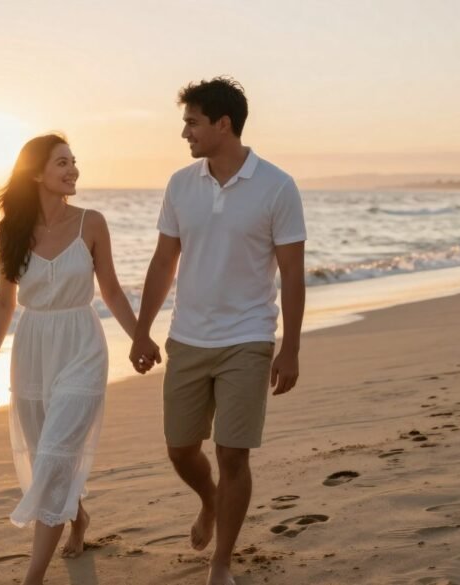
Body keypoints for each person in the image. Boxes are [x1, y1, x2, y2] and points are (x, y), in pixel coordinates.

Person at [129, 77, 307, 585]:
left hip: (248, 337)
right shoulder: (180, 184)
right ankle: (209, 500)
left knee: (232, 453)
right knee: (181, 448)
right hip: (187, 336)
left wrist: (290, 349)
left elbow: (292, 272)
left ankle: (221, 562)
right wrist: (141, 331)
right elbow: (164, 261)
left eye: (192, 122)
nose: (185, 132)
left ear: (222, 124)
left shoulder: (277, 186)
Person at [0, 134, 138, 585]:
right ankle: (78, 517)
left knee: (52, 457)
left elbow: (111, 290)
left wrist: (140, 338)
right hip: (32, 351)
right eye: (62, 163)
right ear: (36, 173)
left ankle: (33, 578)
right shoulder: (11, 232)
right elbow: (4, 303)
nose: (73, 170)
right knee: (47, 456)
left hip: (82, 347)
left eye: (73, 162)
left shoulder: (92, 223)